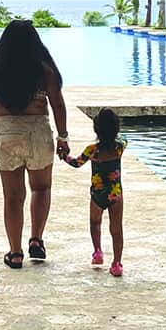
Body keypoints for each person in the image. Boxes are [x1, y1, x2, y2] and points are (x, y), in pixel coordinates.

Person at [0, 20, 69, 269]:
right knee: (41, 188)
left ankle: (15, 253)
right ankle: (36, 239)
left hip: (6, 132)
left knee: (13, 197)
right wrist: (63, 136)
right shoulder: (44, 70)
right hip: (37, 131)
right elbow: (57, 103)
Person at [60, 108, 125, 277]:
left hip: (97, 193)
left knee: (95, 223)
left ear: (96, 129)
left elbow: (76, 163)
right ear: (116, 128)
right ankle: (117, 263)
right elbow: (124, 138)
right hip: (115, 193)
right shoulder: (120, 147)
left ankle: (98, 252)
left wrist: (64, 156)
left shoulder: (92, 150)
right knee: (116, 229)